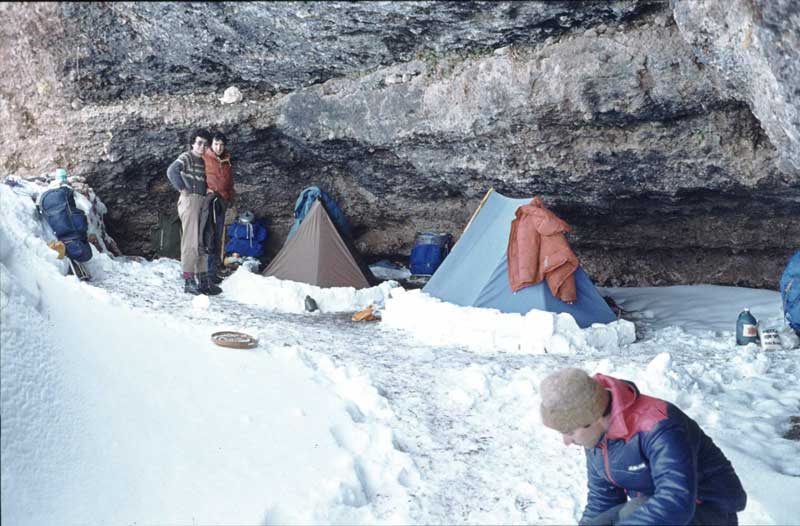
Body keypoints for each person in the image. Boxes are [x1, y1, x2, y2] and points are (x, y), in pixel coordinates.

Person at [540, 368, 746, 526]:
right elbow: (603, 500)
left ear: (595, 418)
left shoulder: (658, 425)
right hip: (653, 506)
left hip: (709, 510)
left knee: (634, 511)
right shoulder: (596, 435)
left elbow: (676, 501)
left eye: (569, 431)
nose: (566, 441)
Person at [166, 129, 221, 296]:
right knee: (190, 242)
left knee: (202, 241)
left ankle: (203, 280)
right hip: (190, 200)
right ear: (192, 143)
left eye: (205, 144)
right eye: (199, 143)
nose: (202, 147)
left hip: (202, 201)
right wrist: (183, 188)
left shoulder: (203, 161)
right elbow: (172, 171)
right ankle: (188, 281)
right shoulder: (187, 157)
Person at [202, 130, 235, 283]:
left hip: (222, 202)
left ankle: (213, 270)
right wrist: (205, 190)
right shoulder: (204, 157)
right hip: (210, 201)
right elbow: (199, 176)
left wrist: (230, 198)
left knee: (218, 236)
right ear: (211, 144)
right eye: (216, 144)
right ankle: (206, 272)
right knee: (209, 236)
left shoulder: (227, 160)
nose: (219, 148)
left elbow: (229, 181)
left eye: (221, 145)